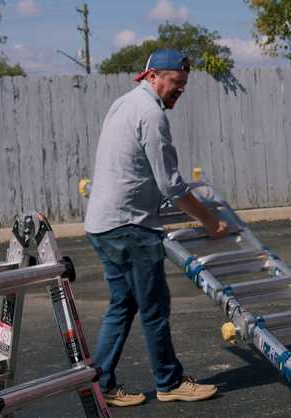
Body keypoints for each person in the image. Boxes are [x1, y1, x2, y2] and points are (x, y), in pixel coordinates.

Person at [84, 49, 228, 407]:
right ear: (152, 77)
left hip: (103, 224)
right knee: (154, 307)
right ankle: (170, 381)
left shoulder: (124, 104)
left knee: (124, 303)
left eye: (183, 85)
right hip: (130, 227)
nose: (180, 90)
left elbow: (133, 168)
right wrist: (209, 219)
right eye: (175, 83)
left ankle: (101, 383)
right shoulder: (151, 114)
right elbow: (171, 184)